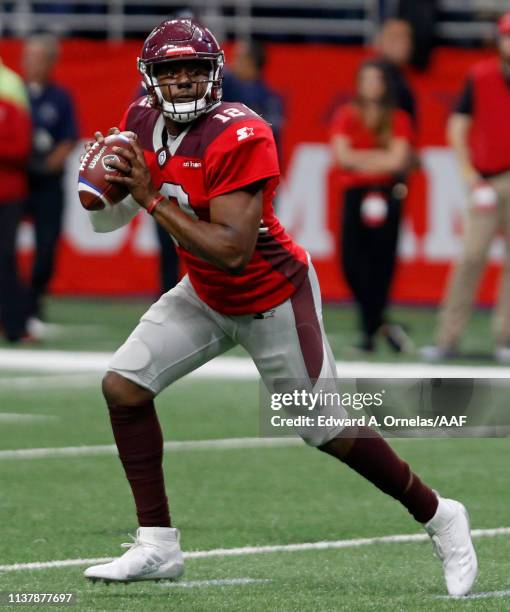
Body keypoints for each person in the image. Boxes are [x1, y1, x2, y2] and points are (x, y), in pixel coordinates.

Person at [81, 19, 477, 596]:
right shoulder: (141, 119)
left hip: (271, 297)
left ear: (216, 74)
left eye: (195, 68)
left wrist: (143, 196)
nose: (185, 80)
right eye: (172, 70)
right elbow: (107, 222)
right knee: (123, 386)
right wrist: (99, 194)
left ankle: (440, 514)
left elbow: (234, 251)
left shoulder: (241, 132)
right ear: (152, 78)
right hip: (205, 293)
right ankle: (158, 545)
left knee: (324, 428)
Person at [422, 12, 510, 363]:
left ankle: (506, 339)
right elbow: (457, 126)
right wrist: (469, 174)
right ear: (498, 39)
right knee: (471, 258)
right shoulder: (481, 75)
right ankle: (447, 339)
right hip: (486, 178)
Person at [330, 59, 414, 353]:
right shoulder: (346, 115)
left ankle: (369, 333)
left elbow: (398, 160)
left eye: (376, 79)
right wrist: (379, 159)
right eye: (366, 79)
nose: (371, 85)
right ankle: (382, 323)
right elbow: (342, 156)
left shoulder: (398, 118)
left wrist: (362, 159)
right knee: (351, 261)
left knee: (382, 263)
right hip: (355, 194)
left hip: (387, 194)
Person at [22, 33, 78, 328]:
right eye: (27, 57)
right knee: (6, 246)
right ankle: (13, 302)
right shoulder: (14, 92)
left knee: (46, 247)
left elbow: (69, 139)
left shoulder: (60, 97)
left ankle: (34, 300)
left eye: (36, 57)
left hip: (47, 183)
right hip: (17, 180)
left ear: (50, 61)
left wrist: (49, 163)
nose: (29, 63)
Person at [0, 57, 32, 342]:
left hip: (7, 193)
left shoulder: (9, 94)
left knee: (6, 259)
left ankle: (15, 325)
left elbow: (21, 146)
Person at [222, 39, 284, 153]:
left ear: (250, 62)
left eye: (238, 58)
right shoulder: (228, 89)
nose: (232, 63)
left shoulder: (269, 99)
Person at [375, 18, 417, 125]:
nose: (405, 43)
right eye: (395, 38)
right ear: (380, 41)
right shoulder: (377, 77)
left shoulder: (400, 76)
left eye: (407, 37)